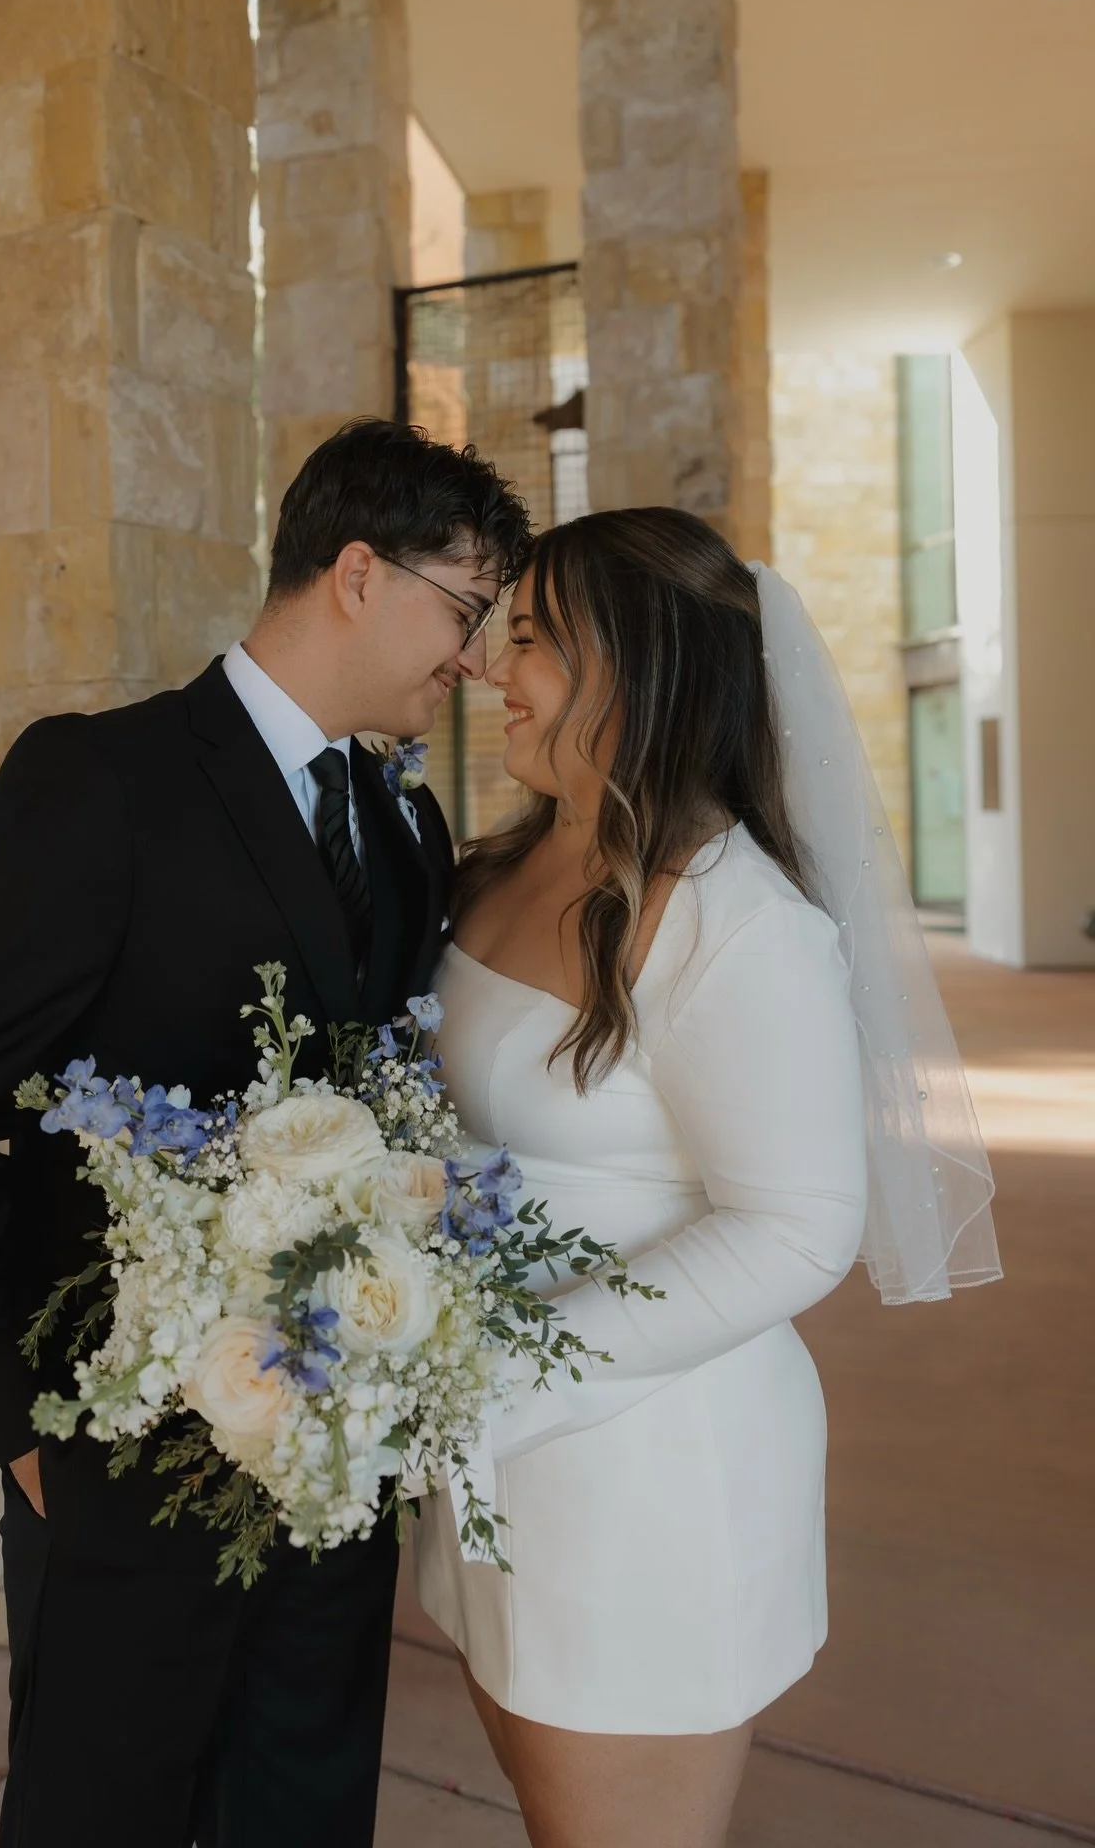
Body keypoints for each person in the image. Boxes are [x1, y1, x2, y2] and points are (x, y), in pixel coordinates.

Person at [0, 419, 532, 1848]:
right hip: (121, 1470)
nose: (474, 659)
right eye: (465, 610)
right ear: (359, 573)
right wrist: (18, 1430)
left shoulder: (407, 828)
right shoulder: (99, 782)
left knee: (304, 1812)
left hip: (336, 1475)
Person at [413, 507, 998, 1848]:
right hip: (499, 1462)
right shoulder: (510, 858)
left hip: (646, 1482)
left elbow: (797, 1230)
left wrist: (495, 1375)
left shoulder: (738, 922)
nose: (492, 668)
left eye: (532, 640)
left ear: (640, 666)